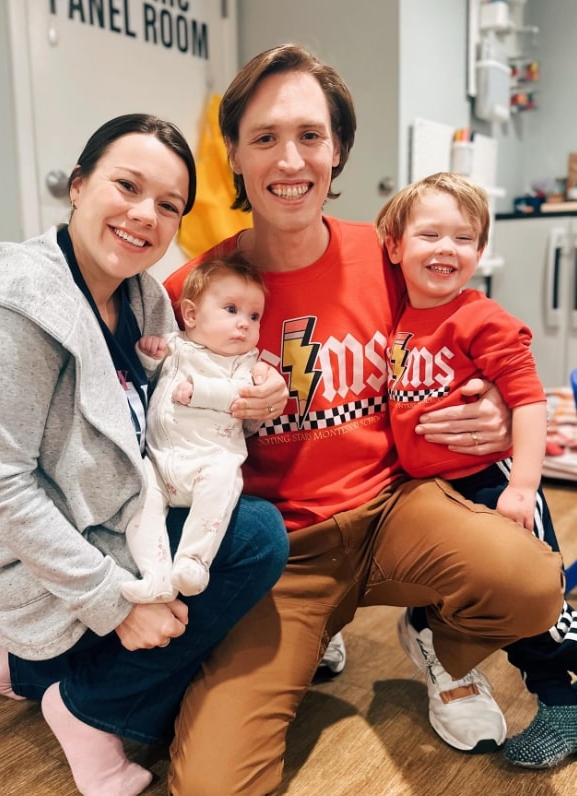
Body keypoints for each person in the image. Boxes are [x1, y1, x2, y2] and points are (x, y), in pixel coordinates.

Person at [159, 44, 565, 795]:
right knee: (213, 785)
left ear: (338, 148)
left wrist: (503, 408)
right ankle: (320, 636)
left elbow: (473, 336)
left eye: (311, 135)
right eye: (266, 137)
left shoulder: (387, 256)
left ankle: (440, 643)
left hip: (393, 513)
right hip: (277, 553)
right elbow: (116, 373)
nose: (291, 158)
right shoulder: (193, 287)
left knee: (532, 583)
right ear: (234, 157)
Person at [0, 113, 289, 796]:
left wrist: (263, 381)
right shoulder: (12, 305)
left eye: (167, 205)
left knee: (231, 529)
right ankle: (85, 711)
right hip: (26, 560)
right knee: (252, 541)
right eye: (127, 186)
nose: (143, 215)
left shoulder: (145, 299)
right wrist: (117, 605)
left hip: (102, 519)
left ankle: (29, 666)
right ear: (77, 186)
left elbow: (189, 376)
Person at [376, 171, 577, 768]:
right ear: (395, 247)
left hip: (493, 482)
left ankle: (561, 699)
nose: (446, 249)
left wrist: (522, 487)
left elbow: (529, 399)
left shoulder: (480, 318)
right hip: (432, 491)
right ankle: (430, 626)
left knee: (534, 602)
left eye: (464, 238)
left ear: (480, 251)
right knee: (467, 584)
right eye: (430, 234)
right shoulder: (397, 321)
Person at [122, 251, 266, 603]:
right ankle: (155, 576)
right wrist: (149, 357)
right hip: (159, 463)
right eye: (231, 310)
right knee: (139, 506)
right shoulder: (175, 346)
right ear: (190, 314)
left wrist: (201, 392)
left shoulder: (246, 364)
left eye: (254, 315)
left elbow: (244, 399)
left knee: (222, 486)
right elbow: (145, 383)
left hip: (208, 462)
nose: (244, 323)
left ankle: (193, 560)